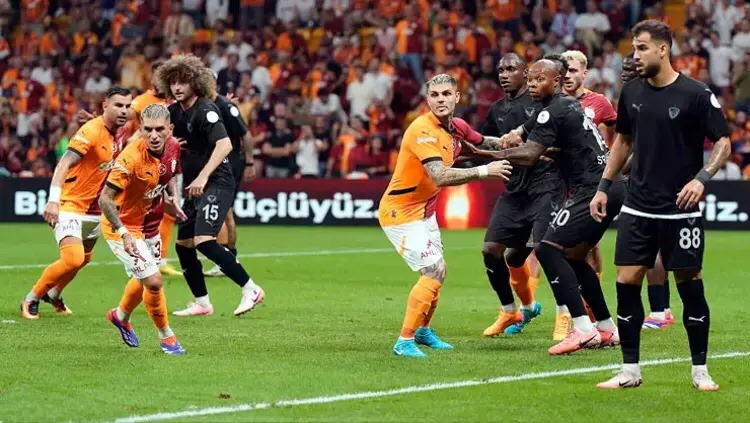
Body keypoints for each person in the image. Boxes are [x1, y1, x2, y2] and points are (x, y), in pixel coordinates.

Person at [591, 20, 731, 390]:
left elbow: (723, 142)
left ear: (663, 49)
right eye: (634, 47)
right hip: (637, 207)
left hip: (680, 210)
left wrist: (702, 179)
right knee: (626, 282)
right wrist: (604, 186)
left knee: (689, 284)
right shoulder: (632, 91)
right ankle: (630, 371)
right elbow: (623, 141)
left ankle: (700, 370)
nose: (635, 55)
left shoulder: (696, 94)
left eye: (642, 48)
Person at [464, 57, 624, 355]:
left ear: (557, 81)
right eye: (532, 79)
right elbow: (547, 141)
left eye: (540, 79)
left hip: (592, 189)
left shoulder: (553, 111)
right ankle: (606, 327)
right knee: (575, 257)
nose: (533, 85)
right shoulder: (567, 105)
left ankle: (582, 329)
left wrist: (482, 155)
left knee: (549, 249)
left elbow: (529, 155)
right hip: (610, 186)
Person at [379, 73, 513, 358]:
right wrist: (484, 171)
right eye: (435, 95)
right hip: (400, 212)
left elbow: (485, 142)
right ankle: (404, 341)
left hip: (425, 211)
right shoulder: (422, 130)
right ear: (428, 100)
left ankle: (423, 330)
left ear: (457, 97)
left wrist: (514, 141)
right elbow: (439, 175)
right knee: (434, 270)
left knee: (438, 272)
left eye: (446, 94)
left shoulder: (457, 127)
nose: (441, 99)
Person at [154, 55, 265, 317]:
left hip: (217, 182)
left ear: (196, 82)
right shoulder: (174, 112)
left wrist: (203, 177)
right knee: (184, 245)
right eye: (173, 82)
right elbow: (158, 137)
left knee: (204, 240)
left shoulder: (206, 110)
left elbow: (225, 145)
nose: (177, 87)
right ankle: (202, 303)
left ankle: (251, 289)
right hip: (194, 186)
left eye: (183, 81)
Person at [20, 86, 132, 319]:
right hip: (70, 204)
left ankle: (54, 294)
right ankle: (31, 298)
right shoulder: (90, 131)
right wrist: (53, 201)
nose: (124, 110)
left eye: (127, 106)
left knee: (85, 258)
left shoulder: (120, 132)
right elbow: (63, 164)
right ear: (105, 106)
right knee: (73, 258)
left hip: (96, 209)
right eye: (118, 105)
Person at [477, 53, 555, 337]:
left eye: (511, 69)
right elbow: (485, 145)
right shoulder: (496, 109)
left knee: (548, 253)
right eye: (501, 69)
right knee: (492, 251)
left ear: (525, 73)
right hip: (514, 192)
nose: (504, 74)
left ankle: (572, 317)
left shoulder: (539, 105)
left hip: (545, 188)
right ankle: (512, 310)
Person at [99, 104, 186, 355]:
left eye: (160, 129)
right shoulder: (130, 158)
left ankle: (120, 316)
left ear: (170, 129)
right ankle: (167, 337)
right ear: (140, 129)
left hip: (150, 225)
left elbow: (171, 173)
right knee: (154, 281)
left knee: (144, 278)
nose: (154, 135)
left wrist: (173, 197)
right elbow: (105, 199)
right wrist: (124, 233)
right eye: (148, 129)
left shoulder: (174, 147)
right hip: (123, 226)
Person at [621, 53, 675, 330]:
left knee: (650, 249)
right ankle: (663, 309)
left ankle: (658, 312)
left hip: (654, 182)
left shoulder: (645, 99)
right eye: (622, 69)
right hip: (650, 179)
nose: (624, 73)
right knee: (657, 248)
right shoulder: (637, 97)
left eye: (629, 69)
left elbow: (637, 146)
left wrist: (618, 168)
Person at [204, 77, 255, 277]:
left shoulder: (226, 106)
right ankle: (228, 259)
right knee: (223, 212)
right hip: (217, 164)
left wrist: (249, 162)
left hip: (230, 164)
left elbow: (246, 134)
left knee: (225, 212)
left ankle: (227, 259)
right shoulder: (207, 105)